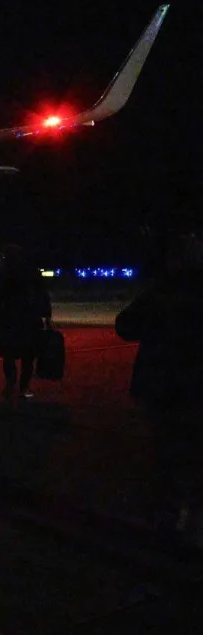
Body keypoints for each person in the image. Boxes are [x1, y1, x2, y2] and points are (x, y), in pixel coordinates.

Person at [115, 213, 203, 553]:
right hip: (193, 385)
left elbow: (125, 326)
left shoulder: (162, 292)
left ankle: (170, 519)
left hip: (164, 383)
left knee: (167, 452)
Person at [0, 244, 51, 402]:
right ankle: (24, 387)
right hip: (29, 318)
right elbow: (43, 292)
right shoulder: (31, 269)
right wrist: (46, 315)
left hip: (7, 317)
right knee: (29, 355)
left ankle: (10, 383)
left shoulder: (3, 270)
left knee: (8, 354)